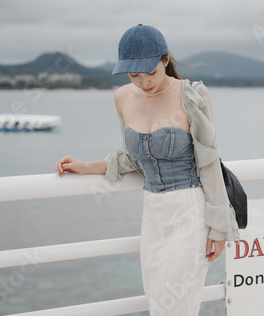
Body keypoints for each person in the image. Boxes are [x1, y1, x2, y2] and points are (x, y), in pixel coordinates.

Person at [56, 24, 239, 315]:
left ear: (165, 60)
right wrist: (86, 166)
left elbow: (209, 162)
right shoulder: (122, 98)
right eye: (134, 75)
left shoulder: (192, 95)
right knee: (158, 305)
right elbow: (132, 159)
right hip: (152, 215)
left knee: (174, 307)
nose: (143, 82)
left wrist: (218, 226)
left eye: (150, 72)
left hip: (189, 213)